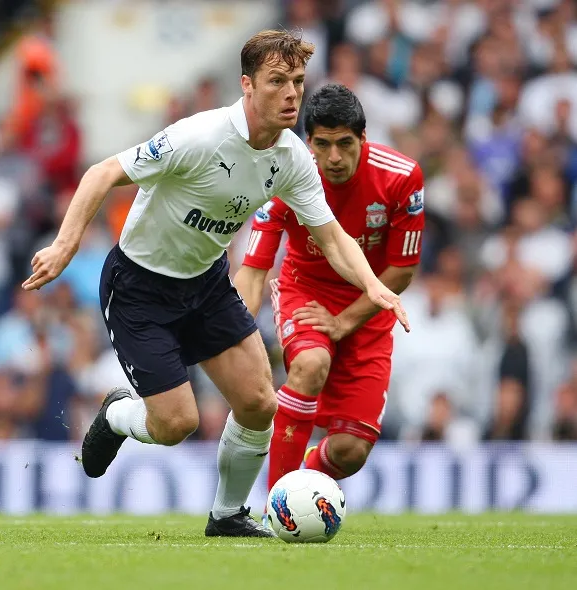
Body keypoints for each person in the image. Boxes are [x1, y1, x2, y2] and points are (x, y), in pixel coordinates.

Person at [22, 31, 409, 538]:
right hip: (139, 287)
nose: (292, 94)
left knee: (259, 403)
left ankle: (227, 515)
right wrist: (65, 245)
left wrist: (373, 286)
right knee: (176, 424)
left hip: (204, 285)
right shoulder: (199, 137)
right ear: (247, 86)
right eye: (278, 82)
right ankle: (117, 414)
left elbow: (333, 238)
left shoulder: (292, 158)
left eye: (296, 81)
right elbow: (101, 173)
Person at [234, 84, 424, 495]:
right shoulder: (284, 174)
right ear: (308, 143)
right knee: (310, 363)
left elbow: (403, 270)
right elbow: (253, 271)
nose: (334, 157)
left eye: (344, 144)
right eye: (322, 144)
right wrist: (235, 336)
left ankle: (302, 472)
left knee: (350, 451)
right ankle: (278, 502)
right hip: (306, 293)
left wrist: (344, 322)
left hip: (367, 310)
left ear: (363, 140)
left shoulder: (402, 178)